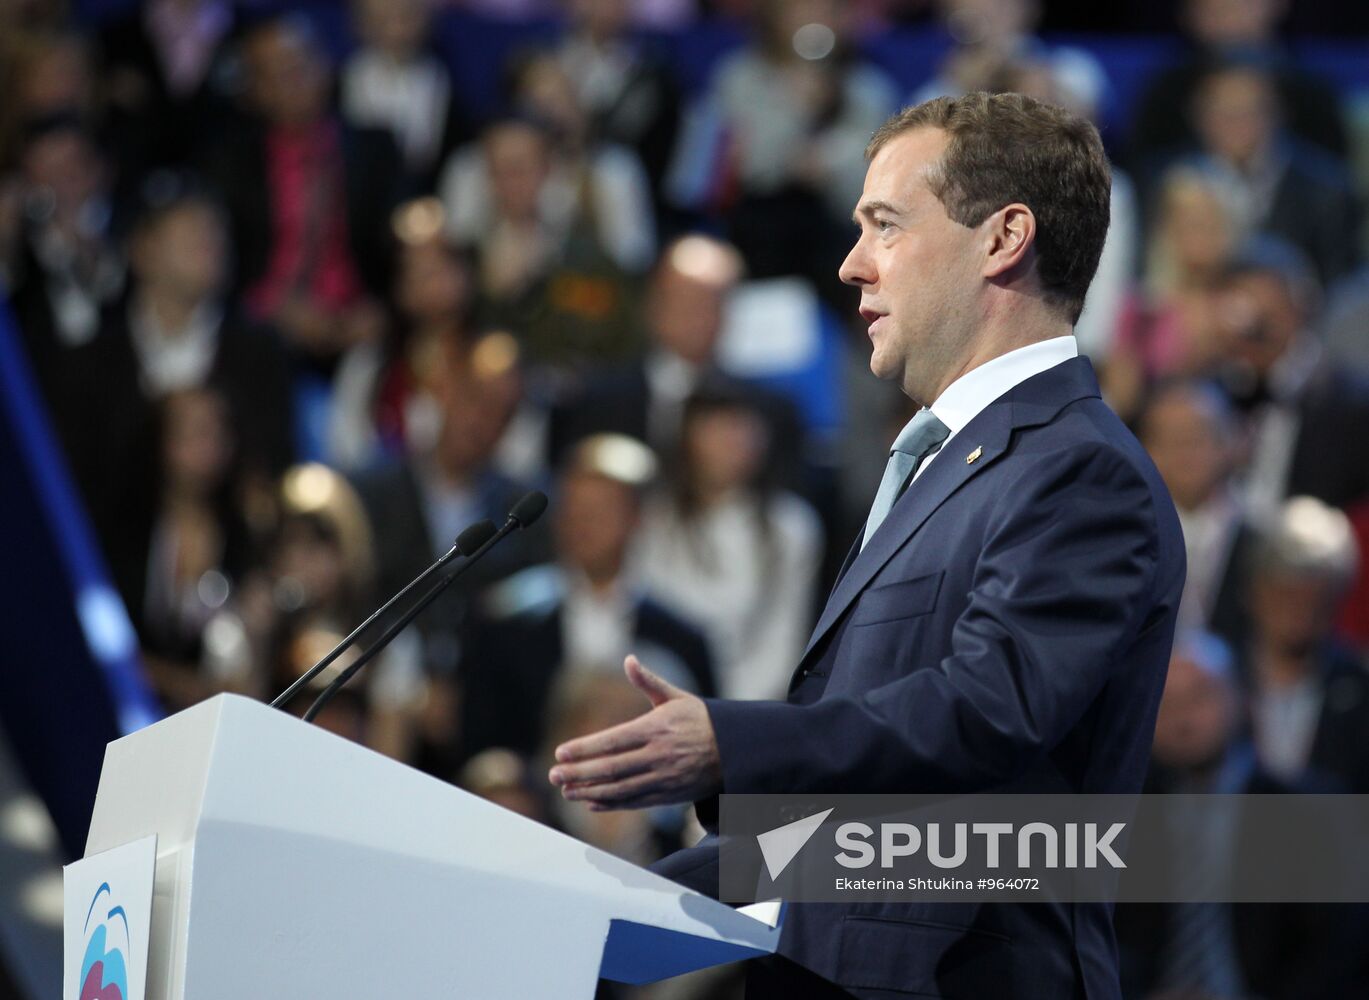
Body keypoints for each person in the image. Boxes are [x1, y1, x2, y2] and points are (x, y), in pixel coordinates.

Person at [547, 92, 1186, 999]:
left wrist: (734, 740)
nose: (851, 267)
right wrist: (581, 910)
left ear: (1003, 240)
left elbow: (985, 713)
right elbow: (861, 826)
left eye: (884, 225)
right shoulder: (940, 462)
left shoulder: (1079, 471)